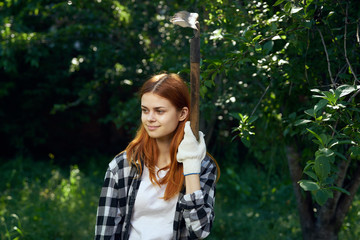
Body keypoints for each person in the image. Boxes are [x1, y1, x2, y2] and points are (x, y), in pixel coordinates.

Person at [94, 73, 219, 240]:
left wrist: (190, 166)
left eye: (159, 111)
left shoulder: (202, 166)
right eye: (145, 110)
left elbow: (199, 231)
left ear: (182, 114)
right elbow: (105, 233)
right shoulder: (123, 166)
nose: (150, 119)